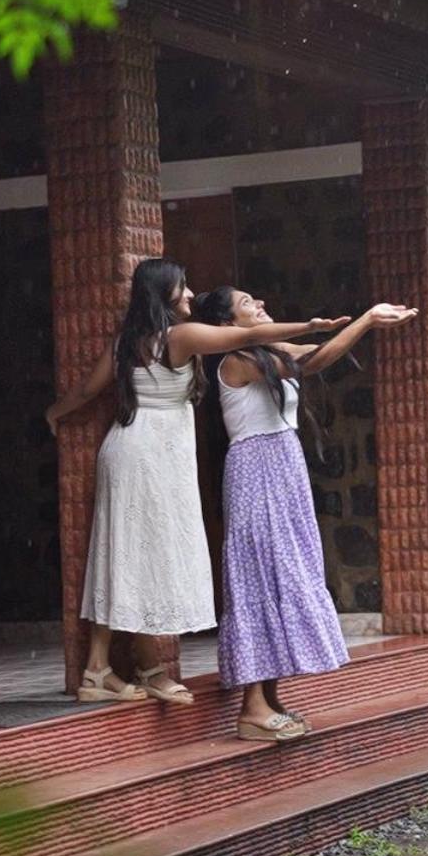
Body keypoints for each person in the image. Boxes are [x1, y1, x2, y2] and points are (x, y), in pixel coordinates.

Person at [46, 259, 348, 706]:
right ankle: (122, 668)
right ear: (163, 293)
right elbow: (245, 337)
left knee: (125, 551)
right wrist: (309, 324)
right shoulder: (179, 336)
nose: (190, 295)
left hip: (127, 448)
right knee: (146, 554)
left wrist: (54, 413)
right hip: (155, 454)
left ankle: (113, 666)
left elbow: (87, 392)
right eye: (183, 288)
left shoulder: (127, 342)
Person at [191, 286, 418, 741]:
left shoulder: (266, 348)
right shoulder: (237, 359)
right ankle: (251, 707)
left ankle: (269, 697)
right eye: (247, 304)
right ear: (229, 324)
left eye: (257, 298)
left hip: (282, 469)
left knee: (283, 574)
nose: (258, 303)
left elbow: (313, 351)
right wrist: (368, 320)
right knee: (260, 577)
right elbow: (309, 364)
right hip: (257, 471)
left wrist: (359, 324)